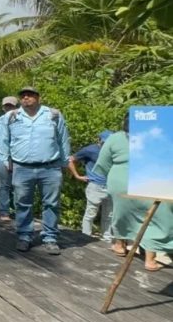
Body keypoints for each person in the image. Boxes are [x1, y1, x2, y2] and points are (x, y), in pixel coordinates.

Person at [0, 87, 71, 255]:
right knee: (22, 203)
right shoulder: (11, 116)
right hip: (22, 168)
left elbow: (63, 139)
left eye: (30, 95)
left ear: (38, 97)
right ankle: (24, 236)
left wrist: (65, 163)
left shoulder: (53, 115)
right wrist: (5, 159)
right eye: (22, 96)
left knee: (51, 203)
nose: (26, 98)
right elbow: (3, 140)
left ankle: (50, 238)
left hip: (50, 167)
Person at [94, 115, 172, 271]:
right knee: (153, 218)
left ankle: (119, 245)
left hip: (120, 180)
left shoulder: (115, 138)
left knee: (121, 212)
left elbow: (102, 163)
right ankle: (150, 260)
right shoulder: (158, 136)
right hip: (150, 179)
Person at [69, 130, 114, 241]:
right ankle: (85, 237)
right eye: (104, 142)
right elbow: (71, 159)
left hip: (112, 187)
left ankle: (107, 239)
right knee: (90, 214)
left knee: (109, 216)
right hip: (95, 186)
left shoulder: (114, 150)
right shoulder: (90, 150)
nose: (106, 144)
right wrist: (77, 176)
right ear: (99, 140)